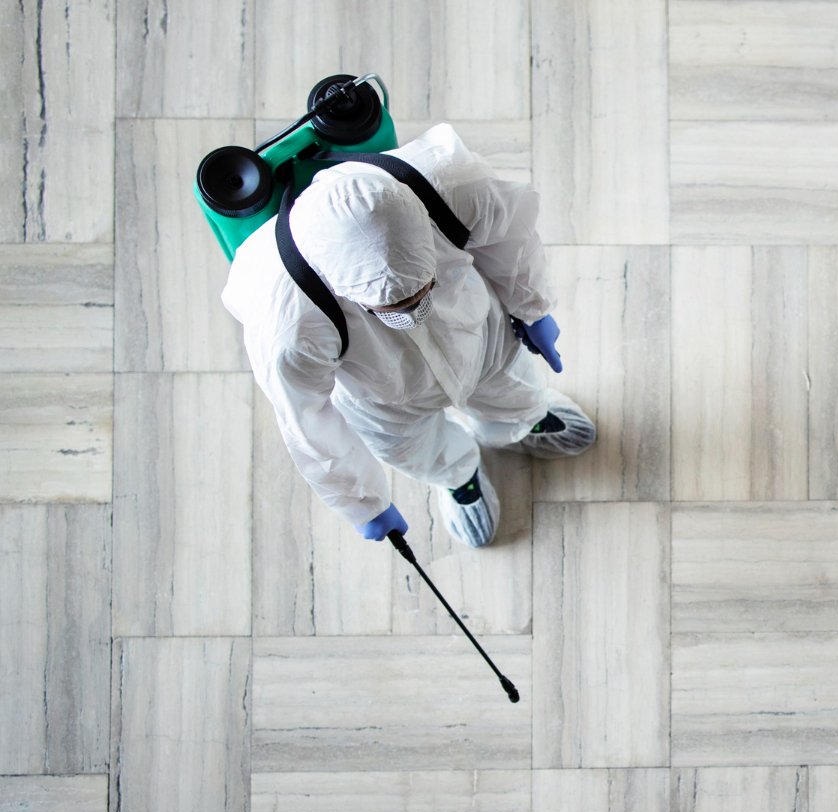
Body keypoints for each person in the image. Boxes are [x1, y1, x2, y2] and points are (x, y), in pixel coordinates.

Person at [221, 124, 595, 549]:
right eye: (394, 308)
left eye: (422, 289)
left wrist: (532, 307)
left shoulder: (446, 182)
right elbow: (306, 421)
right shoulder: (285, 318)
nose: (415, 312)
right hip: (380, 395)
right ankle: (458, 475)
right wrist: (364, 503)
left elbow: (512, 236)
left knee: (514, 387)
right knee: (415, 448)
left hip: (478, 335)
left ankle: (522, 421)